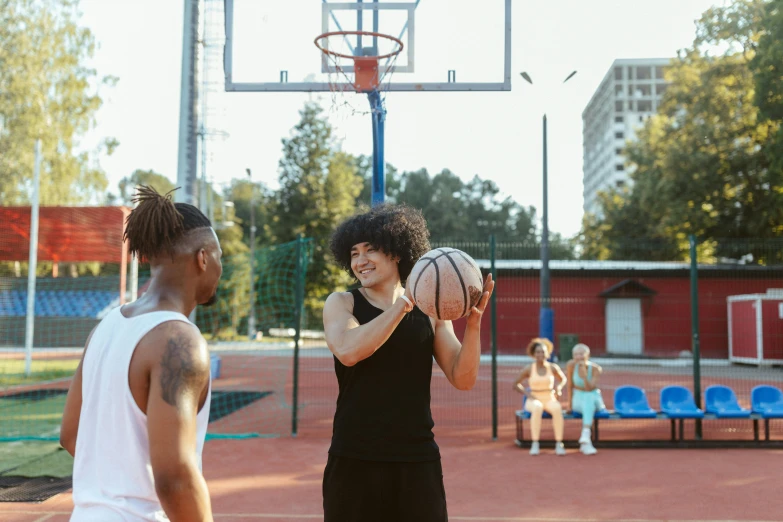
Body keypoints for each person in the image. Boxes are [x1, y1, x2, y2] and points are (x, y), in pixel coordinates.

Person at [321, 203, 494, 522]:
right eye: (354, 253)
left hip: (416, 458)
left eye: (370, 250)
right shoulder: (342, 303)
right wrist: (403, 303)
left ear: (397, 252)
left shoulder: (429, 310)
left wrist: (473, 326)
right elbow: (348, 350)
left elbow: (463, 378)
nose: (360, 261)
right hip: (355, 458)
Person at [60, 186, 222, 521]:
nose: (221, 268)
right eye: (220, 256)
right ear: (203, 258)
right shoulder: (179, 340)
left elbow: (71, 435)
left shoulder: (106, 326)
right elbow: (175, 477)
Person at [513, 338, 567, 456]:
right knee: (537, 408)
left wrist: (559, 388)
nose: (540, 354)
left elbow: (563, 379)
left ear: (547, 353)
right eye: (538, 352)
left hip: (549, 397)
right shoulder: (529, 368)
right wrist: (527, 394)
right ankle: (535, 443)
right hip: (534, 399)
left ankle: (559, 443)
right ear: (534, 354)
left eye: (543, 352)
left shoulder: (552, 367)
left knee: (557, 408)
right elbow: (516, 384)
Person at [566, 343, 605, 455]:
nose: (578, 357)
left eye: (581, 354)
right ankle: (586, 440)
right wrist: (569, 405)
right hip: (578, 397)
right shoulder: (571, 365)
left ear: (588, 355)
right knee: (587, 405)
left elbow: (589, 389)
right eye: (576, 354)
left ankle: (585, 432)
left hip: (594, 398)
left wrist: (584, 378)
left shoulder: (595, 369)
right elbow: (569, 386)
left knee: (588, 399)